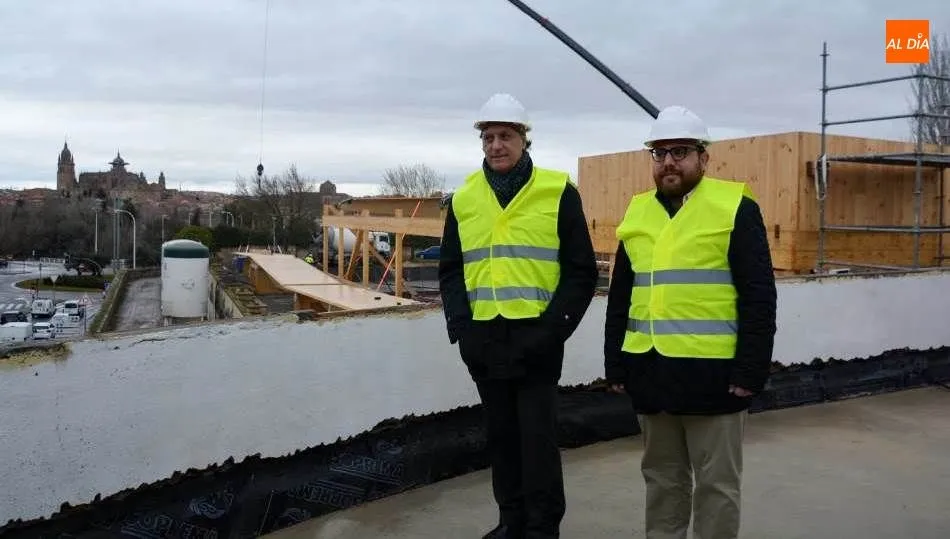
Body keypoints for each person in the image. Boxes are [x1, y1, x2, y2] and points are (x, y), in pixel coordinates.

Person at [603, 105, 777, 539]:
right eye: (659, 153)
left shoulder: (734, 206)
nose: (668, 162)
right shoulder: (637, 211)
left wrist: (751, 371)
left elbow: (759, 296)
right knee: (662, 481)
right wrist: (615, 362)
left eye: (680, 151)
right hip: (651, 372)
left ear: (704, 157)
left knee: (717, 486)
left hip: (715, 378)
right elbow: (622, 294)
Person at [438, 93, 598, 539]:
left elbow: (580, 272)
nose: (495, 145)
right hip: (484, 339)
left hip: (538, 339)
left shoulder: (556, 190)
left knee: (538, 440)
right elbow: (451, 270)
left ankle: (543, 529)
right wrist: (462, 330)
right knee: (502, 438)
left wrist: (553, 331)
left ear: (525, 139)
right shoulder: (465, 197)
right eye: (488, 137)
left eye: (505, 136)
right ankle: (510, 521)